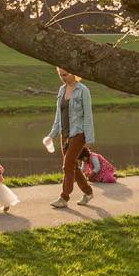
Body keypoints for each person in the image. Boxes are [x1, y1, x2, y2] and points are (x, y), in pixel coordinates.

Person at [46, 69, 98, 208]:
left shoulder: (83, 90)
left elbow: (88, 116)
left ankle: (64, 197)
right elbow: (58, 115)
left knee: (67, 164)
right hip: (65, 134)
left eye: (65, 74)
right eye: (60, 75)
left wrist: (89, 139)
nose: (63, 77)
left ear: (73, 73)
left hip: (79, 133)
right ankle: (88, 192)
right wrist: (51, 135)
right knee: (73, 165)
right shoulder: (62, 90)